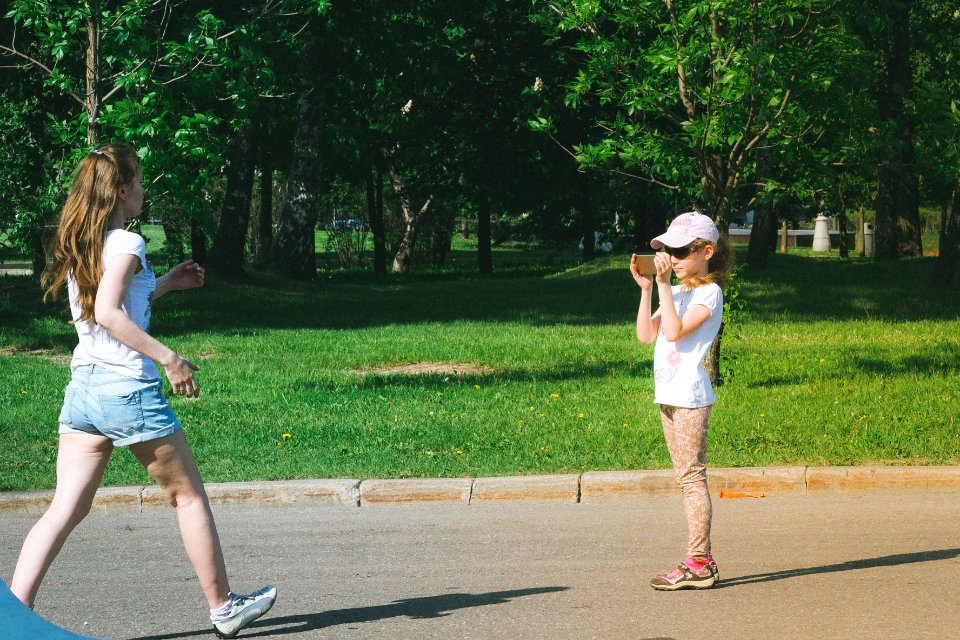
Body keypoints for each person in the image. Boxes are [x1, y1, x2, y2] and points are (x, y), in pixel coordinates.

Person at [9, 143, 276, 637]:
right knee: (188, 498)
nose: (145, 189)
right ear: (123, 189)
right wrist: (168, 358)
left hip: (84, 390)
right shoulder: (128, 244)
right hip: (126, 391)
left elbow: (110, 302)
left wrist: (166, 284)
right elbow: (109, 314)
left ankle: (13, 614)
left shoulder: (85, 243)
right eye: (140, 180)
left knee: (65, 507)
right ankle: (224, 609)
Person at [629, 211, 733, 591]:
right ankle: (699, 561)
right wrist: (647, 289)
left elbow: (672, 332)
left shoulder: (709, 293)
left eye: (680, 251)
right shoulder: (676, 292)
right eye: (667, 250)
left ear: (707, 251)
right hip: (668, 395)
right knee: (684, 479)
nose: (671, 258)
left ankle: (700, 562)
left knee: (692, 479)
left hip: (690, 397)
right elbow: (646, 335)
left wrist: (663, 286)